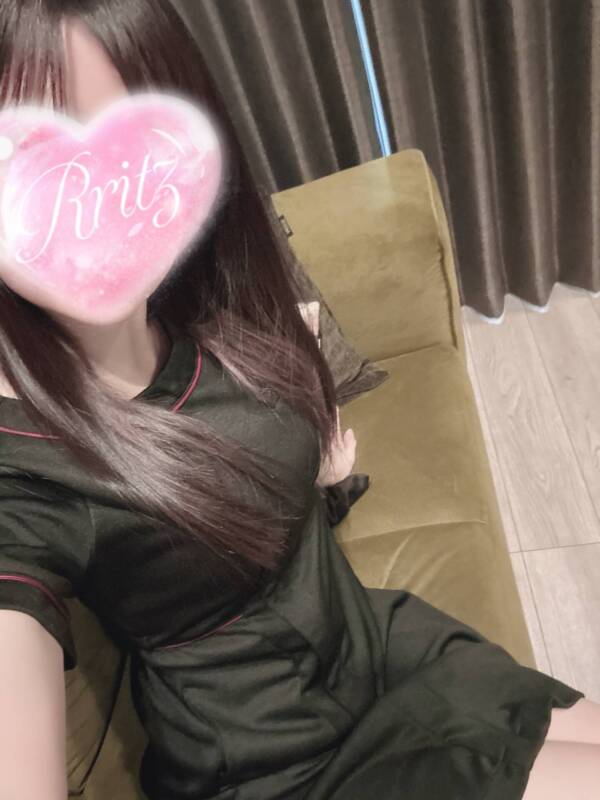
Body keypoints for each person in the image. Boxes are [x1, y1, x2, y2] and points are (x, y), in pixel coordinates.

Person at [0, 2, 598, 799]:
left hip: (375, 644)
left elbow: (230, 486)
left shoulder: (196, 305)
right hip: (280, 767)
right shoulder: (22, 476)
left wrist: (318, 478)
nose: (88, 203)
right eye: (28, 156)